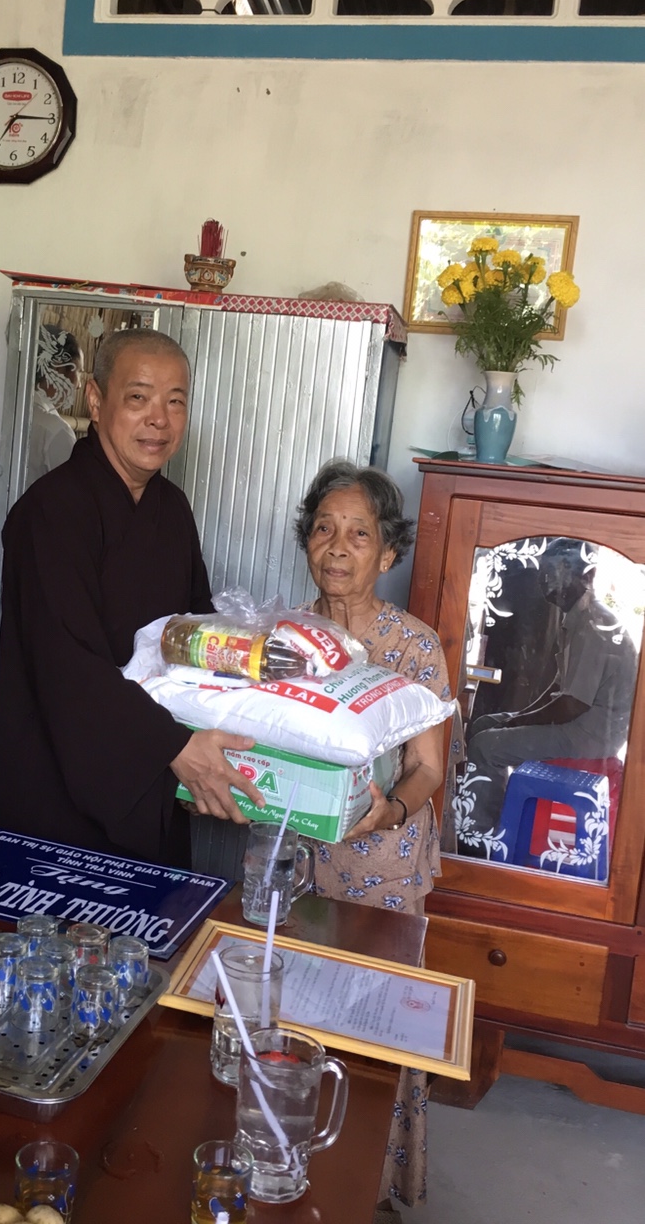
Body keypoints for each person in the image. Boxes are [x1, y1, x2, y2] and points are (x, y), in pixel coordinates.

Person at [0, 328, 262, 868]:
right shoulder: (50, 512)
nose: (159, 420)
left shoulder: (171, 510)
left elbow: (193, 638)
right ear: (95, 398)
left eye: (175, 402)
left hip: (158, 784)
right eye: (138, 398)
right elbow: (66, 666)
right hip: (52, 790)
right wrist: (172, 747)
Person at [294, 458, 453, 1214]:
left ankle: (369, 1188)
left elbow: (428, 768)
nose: (337, 546)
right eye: (324, 528)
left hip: (382, 871)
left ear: (388, 553)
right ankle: (293, 1169)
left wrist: (388, 810)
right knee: (296, 1021)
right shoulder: (287, 637)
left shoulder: (414, 647)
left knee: (376, 1032)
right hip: (297, 866)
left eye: (359, 534)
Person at [464, 537, 638, 846]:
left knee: (485, 745)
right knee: (484, 723)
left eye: (560, 573)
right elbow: (559, 688)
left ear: (588, 576)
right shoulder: (575, 619)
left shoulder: (594, 626)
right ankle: (497, 814)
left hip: (589, 735)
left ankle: (481, 835)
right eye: (545, 573)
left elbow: (572, 706)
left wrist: (517, 722)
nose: (548, 582)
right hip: (579, 725)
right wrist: (519, 716)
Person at [26, 325, 84, 486]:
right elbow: (72, 493)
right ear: (59, 369)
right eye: (78, 372)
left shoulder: (8, 412)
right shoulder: (56, 432)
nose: (79, 385)